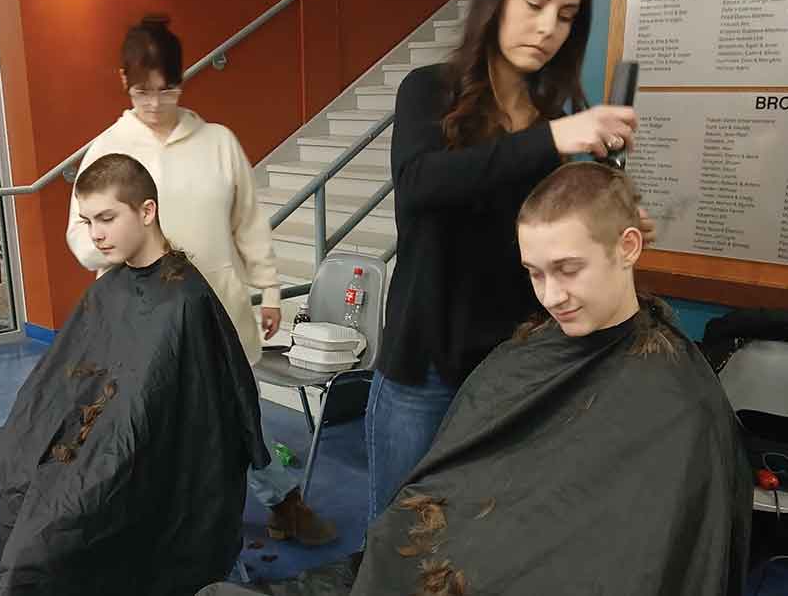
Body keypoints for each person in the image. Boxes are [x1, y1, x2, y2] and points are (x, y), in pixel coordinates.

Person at [197, 162, 752, 596]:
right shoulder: (526, 356)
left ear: (627, 247)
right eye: (534, 273)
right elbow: (453, 488)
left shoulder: (682, 406)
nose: (551, 295)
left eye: (568, 269)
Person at [367, 0, 656, 521]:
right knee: (399, 532)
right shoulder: (430, 91)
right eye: (535, 3)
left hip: (510, 363)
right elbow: (421, 185)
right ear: (497, 0)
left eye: (566, 16)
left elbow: (540, 231)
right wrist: (552, 138)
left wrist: (611, 226)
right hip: (425, 366)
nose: (549, 28)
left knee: (486, 529)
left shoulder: (550, 121)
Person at [0, 154, 270, 596]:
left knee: (37, 546)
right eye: (88, 221)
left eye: (107, 218)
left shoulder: (186, 303)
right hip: (66, 444)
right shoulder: (111, 287)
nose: (96, 235)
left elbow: (182, 432)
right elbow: (61, 388)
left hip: (122, 470)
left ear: (147, 211)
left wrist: (94, 457)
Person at [65, 15, 336, 545]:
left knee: (238, 414)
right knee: (153, 426)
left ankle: (283, 504)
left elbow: (248, 221)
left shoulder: (218, 143)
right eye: (143, 92)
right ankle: (175, 530)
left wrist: (270, 288)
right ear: (124, 82)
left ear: (182, 81)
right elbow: (82, 230)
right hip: (143, 318)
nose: (155, 104)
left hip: (218, 308)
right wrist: (108, 248)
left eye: (167, 90)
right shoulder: (109, 149)